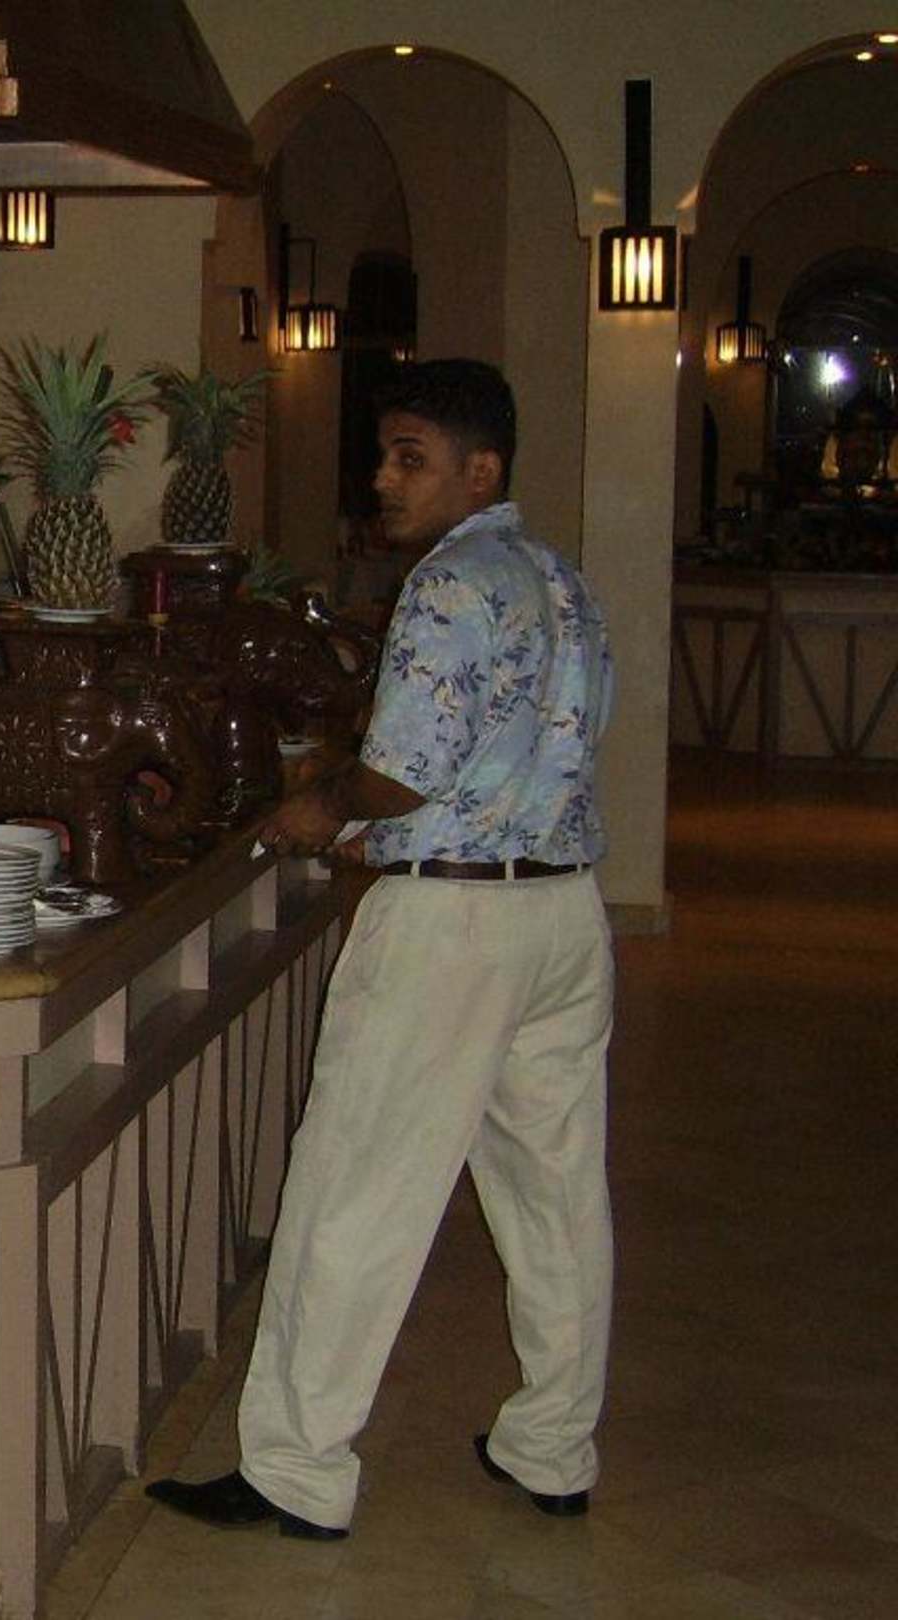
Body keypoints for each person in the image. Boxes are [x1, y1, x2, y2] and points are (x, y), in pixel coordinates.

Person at [148, 359, 617, 1540]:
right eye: (385, 455)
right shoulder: (560, 578)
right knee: (556, 1195)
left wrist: (322, 805)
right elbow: (514, 754)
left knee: (357, 1187)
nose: (383, 478)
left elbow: (402, 773)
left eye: (411, 458)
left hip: (450, 928)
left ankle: (296, 1470)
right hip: (562, 915)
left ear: (481, 470)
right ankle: (553, 1445)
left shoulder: (450, 582)